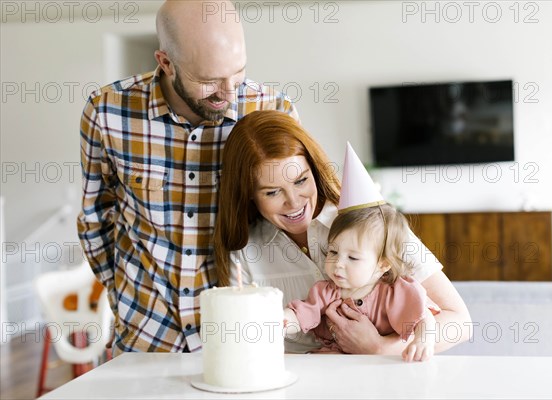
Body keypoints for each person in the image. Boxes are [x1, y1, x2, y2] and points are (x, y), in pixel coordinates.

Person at [77, 0, 297, 355]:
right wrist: (120, 292)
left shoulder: (273, 110)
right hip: (145, 333)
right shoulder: (107, 112)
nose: (229, 93)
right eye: (209, 81)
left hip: (242, 334)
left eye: (238, 73)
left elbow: (297, 221)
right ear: (165, 63)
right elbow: (95, 218)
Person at [214, 110, 472, 355]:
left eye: (301, 180)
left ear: (313, 171)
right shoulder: (245, 253)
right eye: (272, 192)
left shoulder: (374, 228)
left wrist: (379, 348)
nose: (293, 202)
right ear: (248, 193)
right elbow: (251, 346)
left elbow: (459, 322)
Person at [284, 204, 439, 362]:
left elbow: (424, 318)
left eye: (353, 258)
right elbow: (301, 314)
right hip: (338, 359)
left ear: (383, 264)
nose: (338, 263)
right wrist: (281, 321)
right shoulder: (326, 291)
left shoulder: (394, 291)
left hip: (382, 364)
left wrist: (423, 341)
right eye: (333, 252)